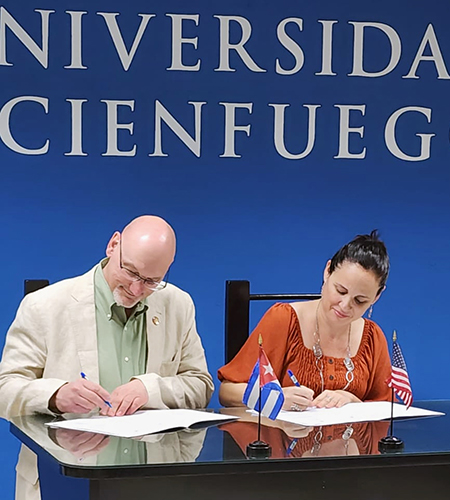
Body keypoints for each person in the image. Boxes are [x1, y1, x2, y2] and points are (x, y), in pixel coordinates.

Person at [0, 215, 214, 500]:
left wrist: (149, 389)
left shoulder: (178, 304)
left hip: (154, 481)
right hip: (65, 481)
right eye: (131, 272)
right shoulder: (44, 306)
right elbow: (5, 388)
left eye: (152, 280)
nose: (137, 289)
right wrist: (55, 395)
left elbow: (200, 385)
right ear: (113, 245)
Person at [218, 230, 391, 411]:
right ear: (327, 272)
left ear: (376, 297)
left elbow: (387, 409)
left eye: (359, 301)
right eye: (340, 291)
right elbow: (227, 392)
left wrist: (355, 402)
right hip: (282, 437)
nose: (345, 305)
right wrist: (274, 398)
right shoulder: (283, 319)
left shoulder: (373, 337)